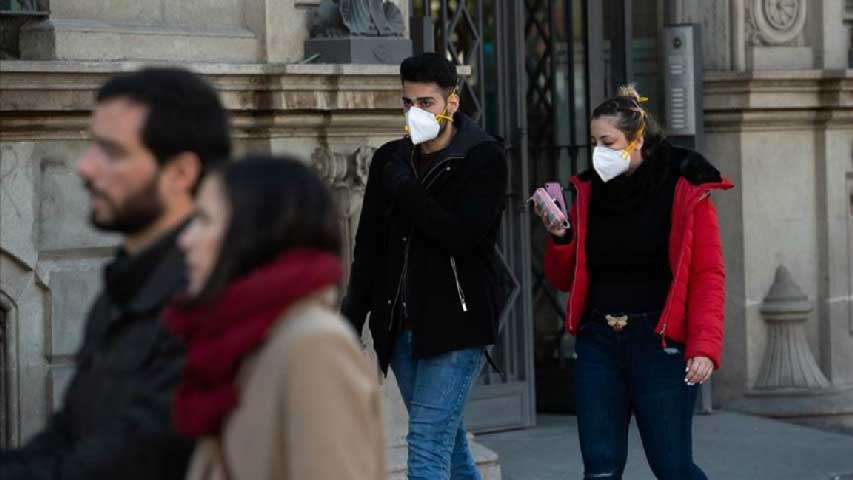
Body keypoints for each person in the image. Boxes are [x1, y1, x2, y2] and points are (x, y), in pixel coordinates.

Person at [0, 67, 231, 479]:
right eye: (93, 147)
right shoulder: (127, 283)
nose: (86, 168)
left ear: (180, 173)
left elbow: (125, 461)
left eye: (112, 152)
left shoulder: (213, 301)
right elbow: (71, 434)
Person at [536, 85, 733, 480]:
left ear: (637, 139)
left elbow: (708, 274)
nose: (598, 151)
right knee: (600, 468)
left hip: (658, 342)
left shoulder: (684, 187)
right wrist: (560, 237)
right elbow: (561, 279)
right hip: (598, 341)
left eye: (607, 142)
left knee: (672, 466)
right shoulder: (589, 191)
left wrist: (705, 347)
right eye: (593, 142)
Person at [164, 156, 386, 480]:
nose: (186, 240)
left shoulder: (314, 345)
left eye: (204, 220)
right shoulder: (239, 341)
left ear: (254, 233)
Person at [342, 52, 508, 480]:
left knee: (426, 444)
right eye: (407, 103)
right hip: (401, 326)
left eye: (426, 103)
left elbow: (462, 237)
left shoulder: (482, 158)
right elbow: (369, 248)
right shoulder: (390, 160)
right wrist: (350, 320)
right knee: (447, 443)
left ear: (452, 103)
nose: (415, 113)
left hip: (457, 323)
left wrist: (408, 191)